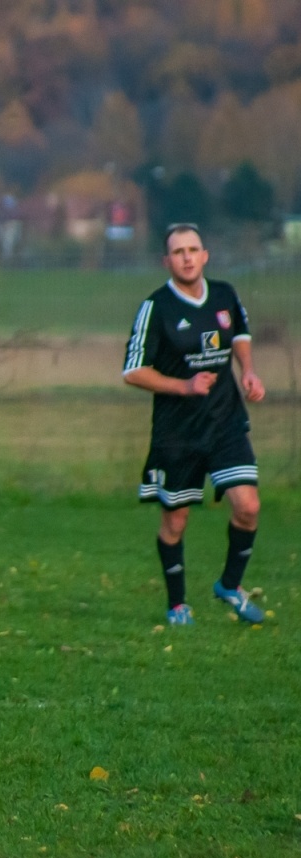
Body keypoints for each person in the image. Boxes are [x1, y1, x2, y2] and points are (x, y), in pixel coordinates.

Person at [123, 223, 266, 625]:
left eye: (193, 249)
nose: (187, 257)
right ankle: (177, 604)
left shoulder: (225, 295)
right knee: (175, 520)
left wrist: (249, 371)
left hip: (224, 423)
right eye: (178, 251)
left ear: (205, 255)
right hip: (177, 434)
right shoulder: (155, 308)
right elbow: (133, 371)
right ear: (166, 261)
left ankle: (230, 586)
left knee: (248, 506)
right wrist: (184, 386)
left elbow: (239, 333)